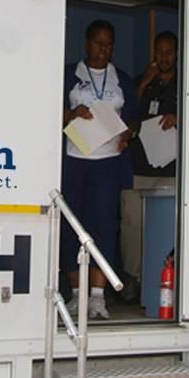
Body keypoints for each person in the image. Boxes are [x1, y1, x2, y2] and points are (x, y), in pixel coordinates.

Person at [61, 19, 140, 319]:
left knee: (104, 228)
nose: (102, 50)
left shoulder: (121, 78)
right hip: (74, 159)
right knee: (72, 227)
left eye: (108, 45)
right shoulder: (70, 73)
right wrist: (71, 113)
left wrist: (127, 133)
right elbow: (47, 108)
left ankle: (97, 297)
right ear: (86, 43)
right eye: (97, 43)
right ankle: (76, 295)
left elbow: (133, 116)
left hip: (108, 162)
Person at [119, 31, 178, 303]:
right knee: (133, 225)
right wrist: (145, 81)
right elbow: (127, 112)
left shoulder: (184, 83)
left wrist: (178, 118)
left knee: (167, 227)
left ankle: (164, 281)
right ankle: (133, 279)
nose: (164, 57)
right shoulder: (141, 82)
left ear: (177, 54)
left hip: (171, 169)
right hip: (139, 166)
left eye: (169, 52)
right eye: (160, 52)